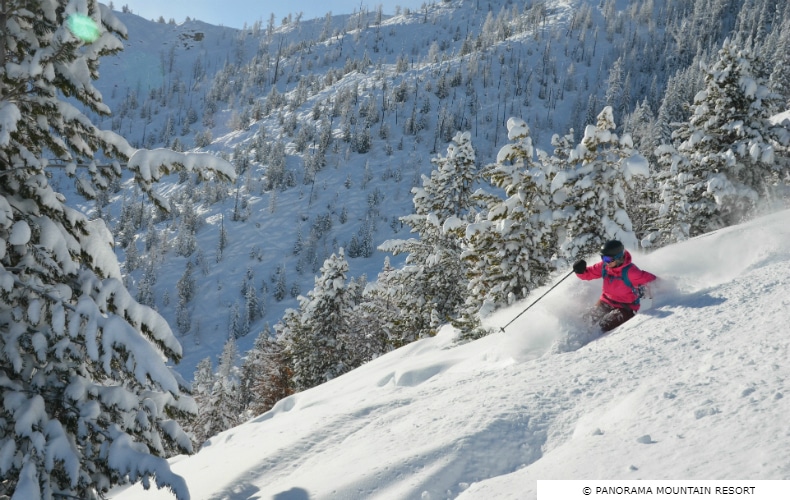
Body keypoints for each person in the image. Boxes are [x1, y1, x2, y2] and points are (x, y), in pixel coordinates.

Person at [572, 240, 657, 333]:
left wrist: (646, 307)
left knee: (604, 325)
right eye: (603, 258)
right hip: (606, 301)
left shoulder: (631, 272)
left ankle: (595, 341)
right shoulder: (604, 266)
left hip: (625, 308)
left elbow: (652, 282)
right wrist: (580, 271)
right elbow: (589, 274)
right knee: (588, 319)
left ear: (618, 258)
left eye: (608, 259)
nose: (605, 262)